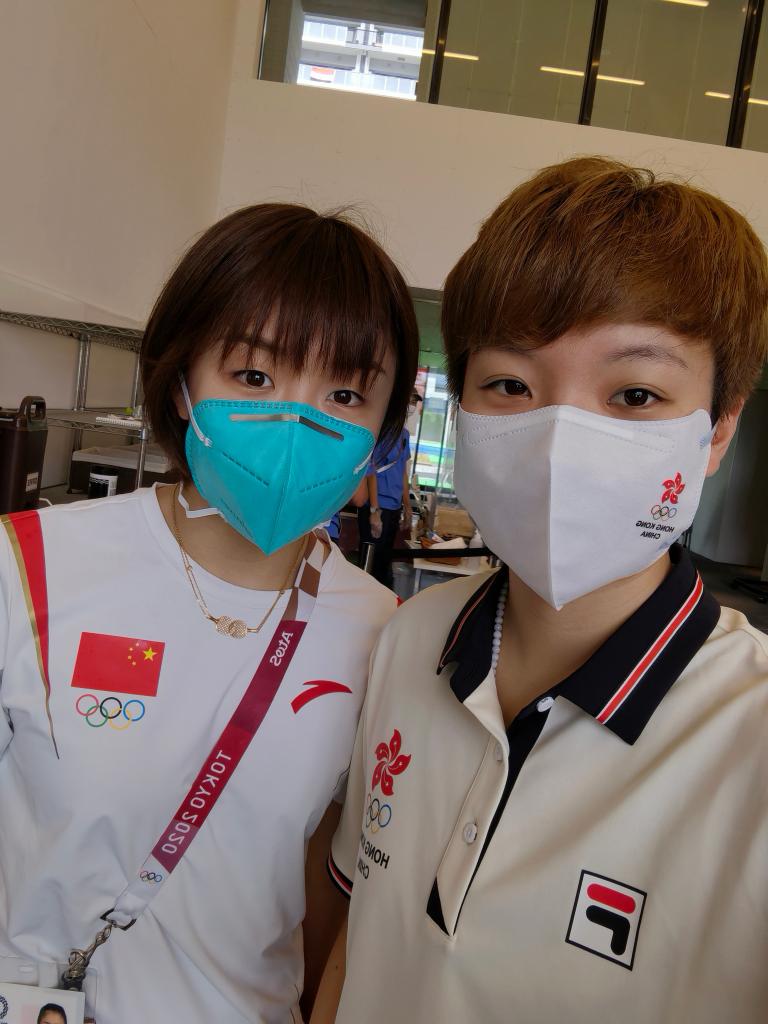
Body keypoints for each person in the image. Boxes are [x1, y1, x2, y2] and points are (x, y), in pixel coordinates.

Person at [313, 158, 768, 1022]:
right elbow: (359, 938)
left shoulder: (750, 743)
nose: (560, 443)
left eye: (635, 393)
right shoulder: (408, 640)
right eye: (511, 385)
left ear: (717, 430)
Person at [0, 204, 418, 1022]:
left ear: (382, 431)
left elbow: (333, 887)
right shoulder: (30, 566)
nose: (297, 421)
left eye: (344, 393)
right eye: (254, 377)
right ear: (181, 378)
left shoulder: (383, 633)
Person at [356, 424, 412, 588]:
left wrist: (407, 506)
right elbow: (370, 472)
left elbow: (403, 472)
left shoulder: (404, 435)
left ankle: (379, 600)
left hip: (394, 508)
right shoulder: (380, 430)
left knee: (384, 565)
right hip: (377, 507)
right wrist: (374, 511)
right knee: (370, 566)